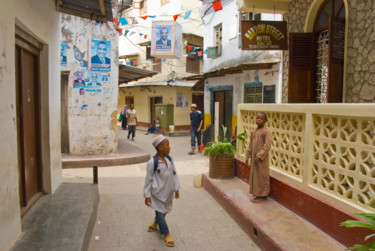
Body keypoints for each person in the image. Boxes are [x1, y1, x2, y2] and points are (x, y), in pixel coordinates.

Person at [144, 135, 180, 247]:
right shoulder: (152, 163)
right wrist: (147, 195)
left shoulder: (169, 159)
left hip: (168, 192)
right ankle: (166, 234)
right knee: (160, 212)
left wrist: (177, 188)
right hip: (157, 194)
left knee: (163, 211)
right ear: (160, 148)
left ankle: (155, 222)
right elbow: (148, 180)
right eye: (167, 145)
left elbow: (175, 174)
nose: (170, 147)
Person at [245, 112, 272, 203]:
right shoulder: (254, 131)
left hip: (261, 159)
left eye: (261, 118)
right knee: (255, 176)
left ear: (265, 120)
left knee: (261, 175)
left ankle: (263, 195)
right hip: (253, 158)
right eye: (257, 118)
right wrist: (248, 156)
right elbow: (250, 144)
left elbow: (267, 146)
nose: (258, 120)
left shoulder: (266, 132)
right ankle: (257, 193)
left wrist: (259, 155)